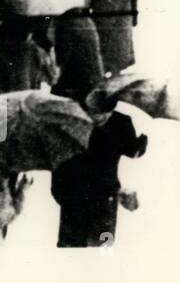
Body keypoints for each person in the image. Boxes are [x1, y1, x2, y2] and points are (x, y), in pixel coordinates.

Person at [51, 87, 147, 247]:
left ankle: (103, 270)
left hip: (105, 195)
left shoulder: (121, 122)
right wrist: (60, 191)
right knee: (70, 250)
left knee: (104, 247)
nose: (95, 117)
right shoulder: (75, 121)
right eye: (91, 112)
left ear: (110, 110)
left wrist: (142, 141)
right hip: (75, 195)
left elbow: (132, 150)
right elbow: (59, 157)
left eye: (100, 114)